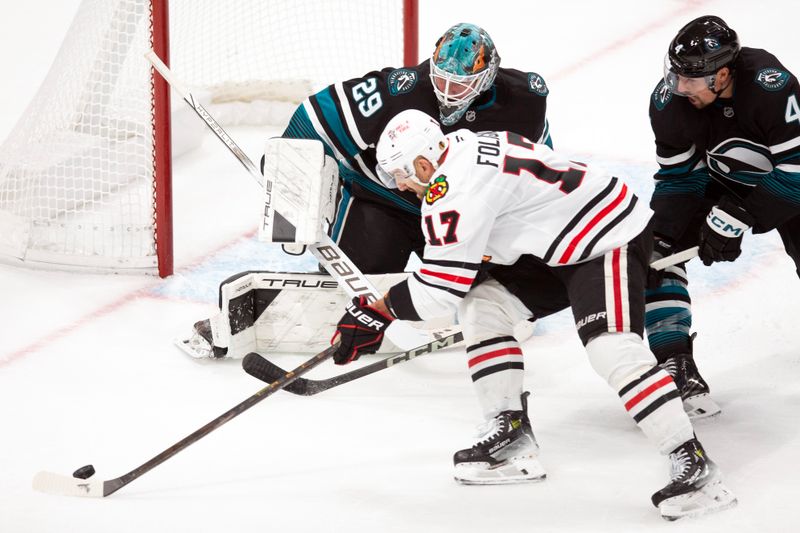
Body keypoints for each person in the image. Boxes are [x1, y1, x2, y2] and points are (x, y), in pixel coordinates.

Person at [330, 109, 736, 520]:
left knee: (611, 348)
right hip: (555, 240)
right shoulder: (463, 145)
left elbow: (440, 290)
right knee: (483, 307)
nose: (401, 185)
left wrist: (376, 312)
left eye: (402, 173)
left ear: (423, 162)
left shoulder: (452, 190)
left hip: (605, 236)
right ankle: (510, 435)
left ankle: (695, 464)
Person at [181, 22, 556, 358]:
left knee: (490, 287)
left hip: (455, 211)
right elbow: (314, 117)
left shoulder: (524, 100)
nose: (446, 92)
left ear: (488, 77)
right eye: (440, 78)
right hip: (383, 202)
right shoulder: (398, 92)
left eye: (459, 84)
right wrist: (290, 171)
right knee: (362, 281)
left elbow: (534, 168)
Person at [646, 15, 800, 418]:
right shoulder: (669, 103)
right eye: (676, 75)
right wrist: (667, 232)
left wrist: (742, 216)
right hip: (722, 182)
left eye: (692, 80)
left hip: (787, 180)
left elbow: (798, 172)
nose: (680, 87)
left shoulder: (772, 88)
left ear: (724, 74)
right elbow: (679, 178)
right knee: (656, 255)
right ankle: (675, 364)